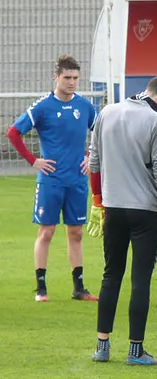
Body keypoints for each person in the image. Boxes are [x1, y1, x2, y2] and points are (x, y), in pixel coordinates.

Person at [88, 77, 157, 366]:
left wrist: (97, 201)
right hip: (145, 210)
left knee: (111, 274)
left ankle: (102, 346)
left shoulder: (106, 112)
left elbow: (93, 162)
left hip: (113, 208)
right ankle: (136, 351)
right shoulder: (156, 121)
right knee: (140, 279)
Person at [6, 55, 99, 303]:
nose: (71, 83)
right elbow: (14, 132)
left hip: (77, 181)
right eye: (67, 78)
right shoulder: (43, 107)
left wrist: (91, 156)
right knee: (46, 232)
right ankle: (41, 287)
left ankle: (79, 288)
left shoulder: (85, 106)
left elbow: (101, 131)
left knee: (76, 232)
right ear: (56, 77)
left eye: (76, 78)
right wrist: (33, 160)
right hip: (50, 181)